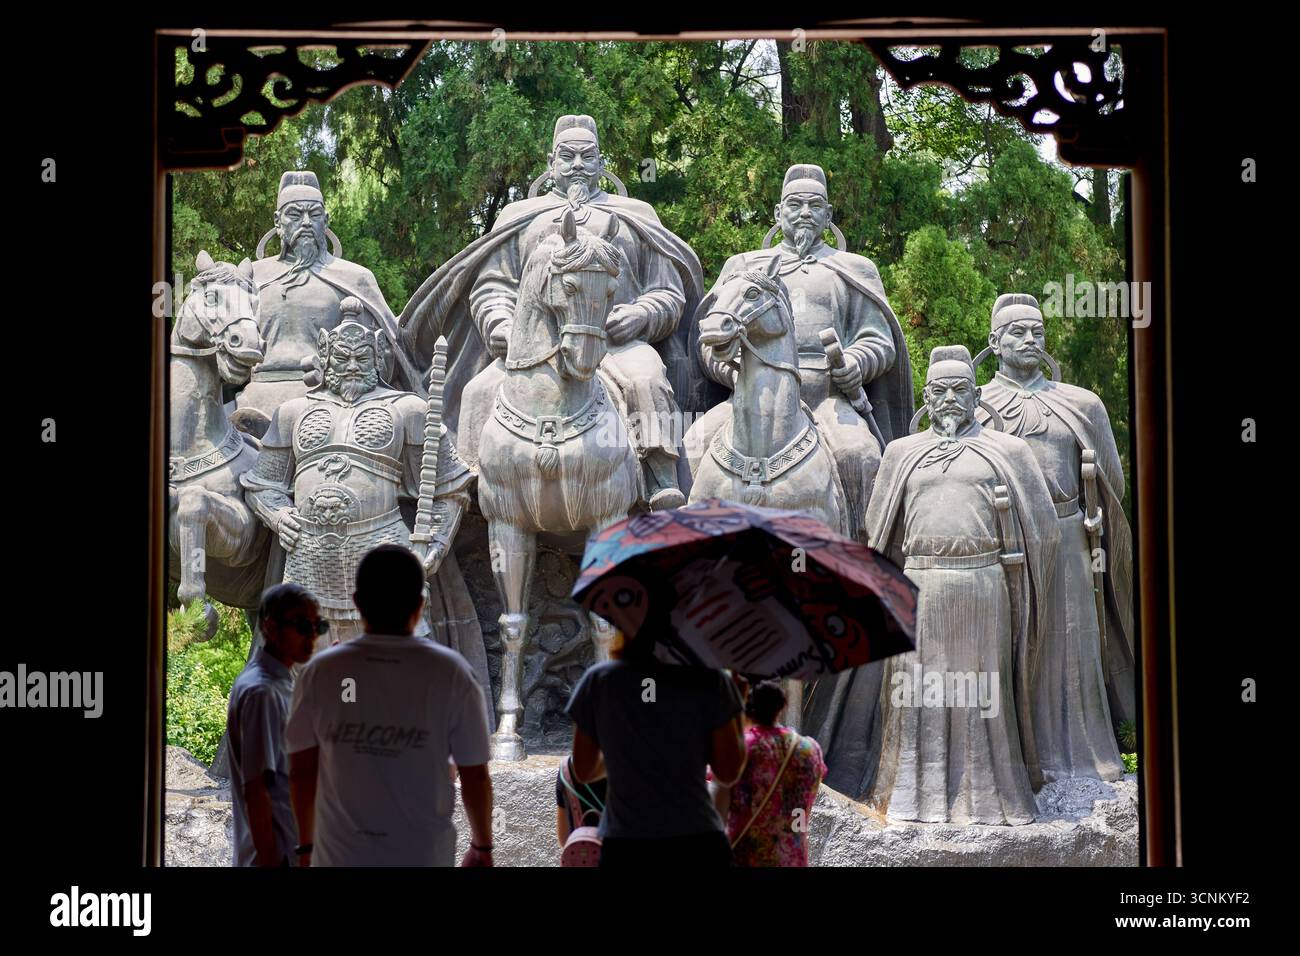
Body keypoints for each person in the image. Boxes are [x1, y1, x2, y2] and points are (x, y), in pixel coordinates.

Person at [285, 544, 495, 866]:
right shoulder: (452, 673)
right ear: (420, 606)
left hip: (339, 856)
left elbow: (300, 771)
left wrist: (304, 847)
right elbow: (475, 774)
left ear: (356, 602)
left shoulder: (322, 671)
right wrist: (482, 846)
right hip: (422, 854)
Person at [564, 628, 747, 867]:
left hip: (626, 842)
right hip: (698, 841)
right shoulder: (711, 680)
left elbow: (584, 771)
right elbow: (728, 773)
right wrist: (738, 709)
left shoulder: (598, 681)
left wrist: (628, 754)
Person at [227, 583, 324, 867]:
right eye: (302, 626)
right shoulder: (263, 693)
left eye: (317, 627)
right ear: (270, 627)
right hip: (275, 856)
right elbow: (257, 789)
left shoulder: (278, 681)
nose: (312, 637)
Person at [711, 680, 827, 867]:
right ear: (780, 708)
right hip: (794, 857)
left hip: (747, 856)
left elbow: (719, 804)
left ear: (747, 710)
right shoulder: (810, 749)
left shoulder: (742, 747)